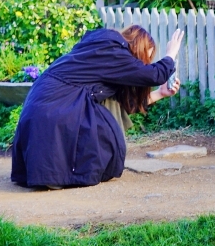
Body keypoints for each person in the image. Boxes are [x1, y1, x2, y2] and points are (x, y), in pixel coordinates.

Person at [11, 25, 184, 189]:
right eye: (145, 58)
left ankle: (52, 173)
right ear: (138, 47)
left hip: (43, 108)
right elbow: (155, 74)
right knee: (107, 131)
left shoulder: (100, 50)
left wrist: (160, 93)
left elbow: (122, 105)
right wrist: (171, 54)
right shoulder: (112, 52)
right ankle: (58, 174)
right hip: (55, 110)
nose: (143, 64)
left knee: (107, 111)